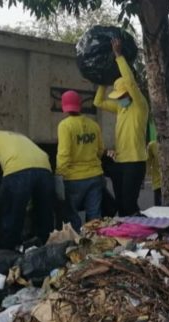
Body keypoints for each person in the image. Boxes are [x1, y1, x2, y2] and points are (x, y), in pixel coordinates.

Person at [0, 131, 54, 249]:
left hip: (17, 170)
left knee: (11, 217)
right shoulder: (19, 137)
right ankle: (46, 252)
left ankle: (8, 254)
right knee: (44, 217)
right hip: (45, 168)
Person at [94, 38, 148, 216]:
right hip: (121, 161)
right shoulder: (120, 107)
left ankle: (141, 233)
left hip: (135, 162)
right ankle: (127, 237)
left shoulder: (140, 105)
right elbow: (98, 101)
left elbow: (130, 82)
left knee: (129, 204)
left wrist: (118, 56)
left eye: (122, 95)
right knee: (121, 205)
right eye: (117, 96)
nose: (119, 98)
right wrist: (103, 82)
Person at [57, 90, 105, 231]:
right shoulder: (93, 125)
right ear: (79, 105)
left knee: (72, 216)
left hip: (73, 178)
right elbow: (100, 149)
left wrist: (59, 174)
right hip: (95, 176)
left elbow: (64, 153)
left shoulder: (65, 126)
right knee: (94, 216)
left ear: (64, 106)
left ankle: (77, 246)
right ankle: (95, 246)